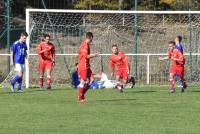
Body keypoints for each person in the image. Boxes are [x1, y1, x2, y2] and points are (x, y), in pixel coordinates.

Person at [77, 32, 98, 102]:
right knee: (83, 81)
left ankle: (81, 94)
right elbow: (86, 56)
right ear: (91, 37)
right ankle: (80, 98)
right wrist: (94, 55)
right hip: (83, 66)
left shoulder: (85, 45)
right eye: (92, 38)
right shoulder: (85, 45)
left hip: (87, 66)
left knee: (92, 80)